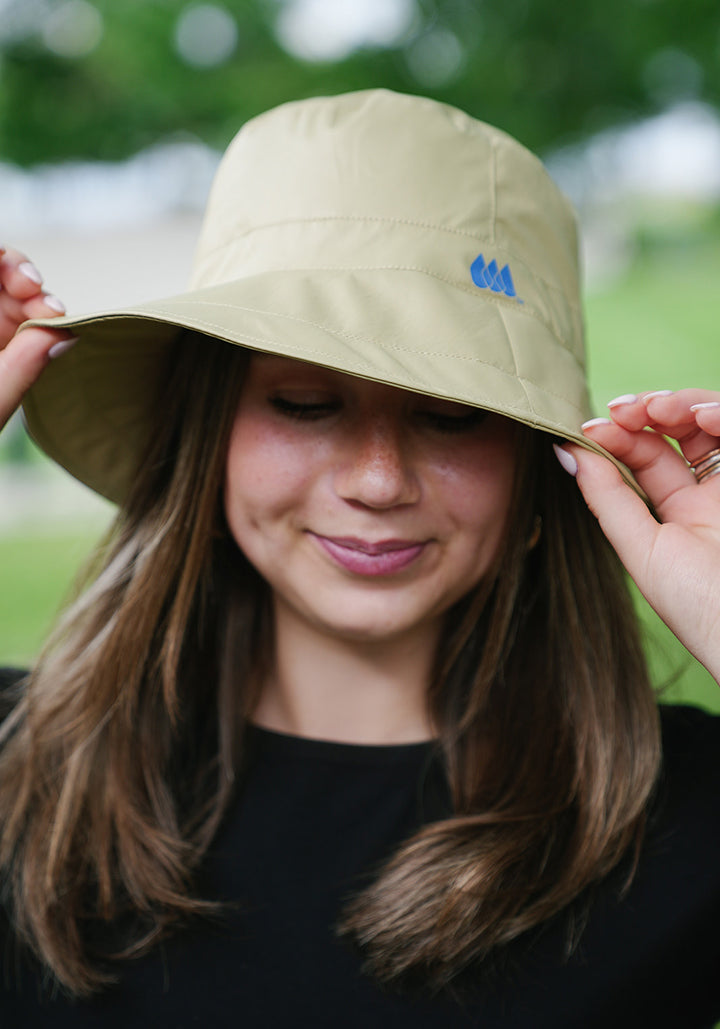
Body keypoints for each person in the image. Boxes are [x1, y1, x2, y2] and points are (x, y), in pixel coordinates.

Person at [0, 89, 718, 1028]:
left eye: (453, 414)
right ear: (207, 434)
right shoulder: (16, 769)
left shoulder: (687, 815)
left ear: (542, 468)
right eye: (304, 402)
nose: (379, 480)